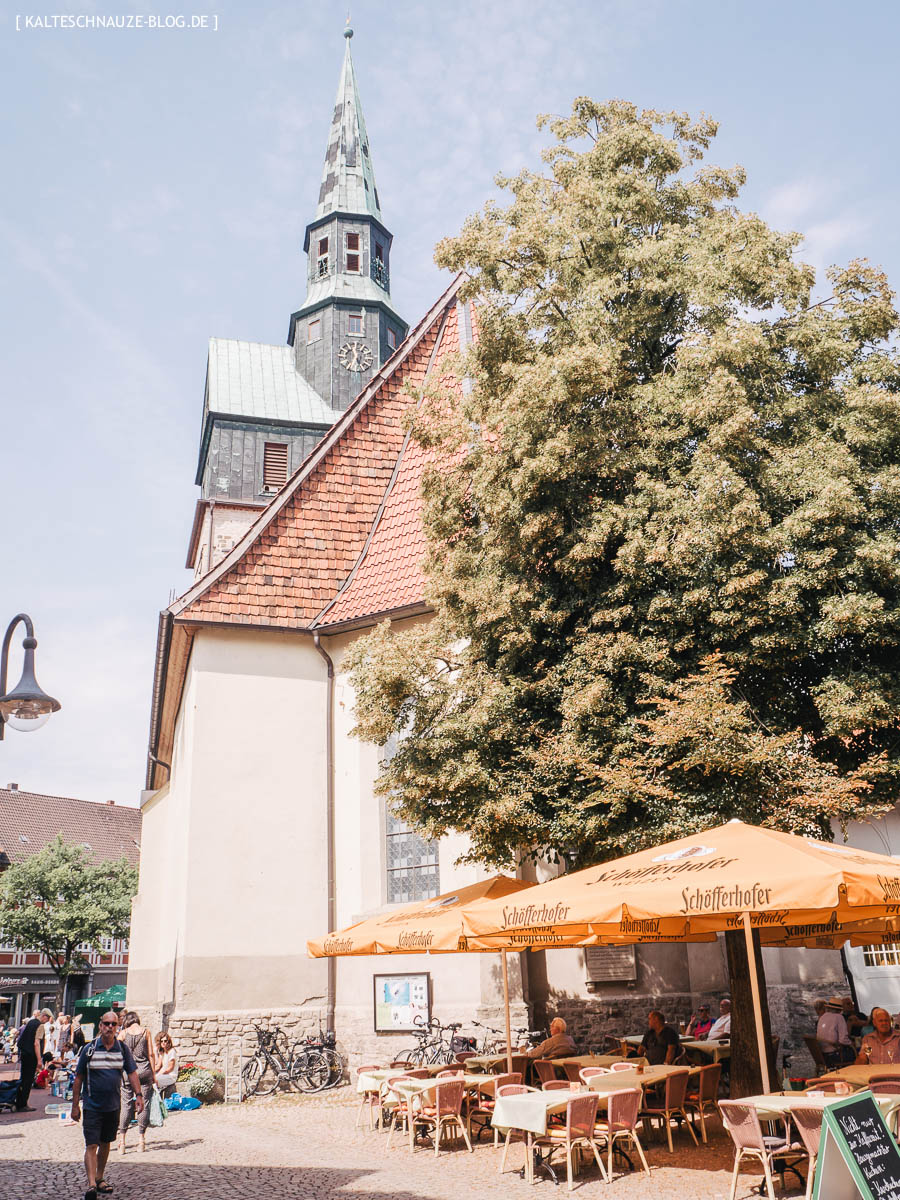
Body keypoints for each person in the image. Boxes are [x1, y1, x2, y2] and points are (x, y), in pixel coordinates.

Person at [71, 1011, 144, 1200]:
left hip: (112, 1105)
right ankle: (91, 1185)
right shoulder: (89, 1049)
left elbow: (132, 1073)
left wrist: (139, 1095)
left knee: (105, 1144)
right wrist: (75, 1105)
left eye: (114, 1024)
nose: (110, 1027)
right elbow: (78, 1078)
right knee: (91, 1144)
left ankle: (100, 1177)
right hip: (92, 1105)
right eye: (107, 1024)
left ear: (117, 1026)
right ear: (100, 1026)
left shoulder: (122, 1049)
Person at [117, 1011, 158, 1154]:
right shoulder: (146, 1032)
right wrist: (154, 1074)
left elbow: (117, 1054)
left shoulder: (122, 1034)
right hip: (144, 1071)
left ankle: (122, 1141)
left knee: (126, 1105)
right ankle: (141, 1140)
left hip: (128, 1073)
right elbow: (151, 1054)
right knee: (144, 1104)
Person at [15, 1008, 51, 1112]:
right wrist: (39, 1060)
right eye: (47, 1019)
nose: (47, 1021)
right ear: (44, 1016)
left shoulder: (30, 1022)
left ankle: (19, 1101)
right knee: (28, 1080)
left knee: (23, 1078)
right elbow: (36, 1043)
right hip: (32, 1056)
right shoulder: (40, 1025)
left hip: (25, 1054)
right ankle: (23, 1104)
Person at [817, 996, 854, 1067]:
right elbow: (843, 1040)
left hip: (823, 1056)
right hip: (835, 1056)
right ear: (840, 1010)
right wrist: (852, 1043)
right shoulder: (839, 1017)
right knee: (860, 1052)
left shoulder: (822, 1017)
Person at [154, 1031, 178, 1098]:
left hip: (171, 1076)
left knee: (154, 1080)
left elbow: (170, 1068)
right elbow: (158, 1066)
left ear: (168, 1041)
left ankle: (157, 1099)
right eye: (161, 1041)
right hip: (163, 1075)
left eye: (165, 1041)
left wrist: (159, 1074)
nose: (163, 1043)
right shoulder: (162, 1052)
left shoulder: (172, 1051)